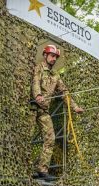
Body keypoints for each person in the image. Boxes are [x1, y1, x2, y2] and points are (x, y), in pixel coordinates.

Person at [32, 44, 84, 177]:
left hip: (44, 111)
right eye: (52, 56)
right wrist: (38, 95)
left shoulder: (56, 76)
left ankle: (42, 169)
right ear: (45, 55)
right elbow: (35, 82)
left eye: (56, 57)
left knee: (50, 138)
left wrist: (75, 107)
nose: (54, 59)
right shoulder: (38, 68)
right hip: (31, 108)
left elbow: (64, 91)